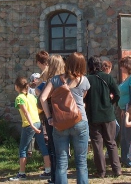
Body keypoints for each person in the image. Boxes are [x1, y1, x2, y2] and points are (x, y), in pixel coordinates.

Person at [39, 52, 90, 184]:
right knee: (81, 162)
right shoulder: (84, 80)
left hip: (60, 123)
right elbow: (83, 97)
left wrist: (49, 117)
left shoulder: (55, 80)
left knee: (61, 163)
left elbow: (43, 98)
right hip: (80, 121)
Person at [85, 55, 121, 178]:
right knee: (111, 143)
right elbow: (117, 93)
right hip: (108, 115)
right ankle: (117, 170)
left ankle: (101, 172)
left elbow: (83, 97)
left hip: (94, 115)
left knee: (97, 145)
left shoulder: (87, 79)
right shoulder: (108, 77)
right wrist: (110, 103)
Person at [9, 76, 51, 181]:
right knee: (43, 146)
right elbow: (38, 109)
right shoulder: (32, 97)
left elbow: (26, 112)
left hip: (29, 125)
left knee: (23, 149)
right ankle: (48, 170)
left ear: (17, 87)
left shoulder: (19, 98)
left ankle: (22, 174)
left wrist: (31, 125)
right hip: (38, 122)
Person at [36, 54, 66, 184]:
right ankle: (62, 177)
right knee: (64, 149)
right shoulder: (67, 79)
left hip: (53, 117)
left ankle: (55, 178)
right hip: (66, 117)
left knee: (54, 148)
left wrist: (48, 117)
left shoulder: (52, 81)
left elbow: (42, 98)